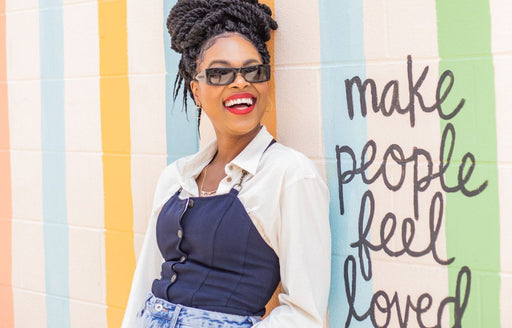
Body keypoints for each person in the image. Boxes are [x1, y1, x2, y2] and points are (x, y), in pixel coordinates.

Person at [122, 0, 331, 327]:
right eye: (220, 73)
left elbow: (305, 314)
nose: (240, 82)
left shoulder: (289, 175)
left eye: (253, 70)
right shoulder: (175, 178)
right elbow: (144, 282)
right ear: (196, 90)